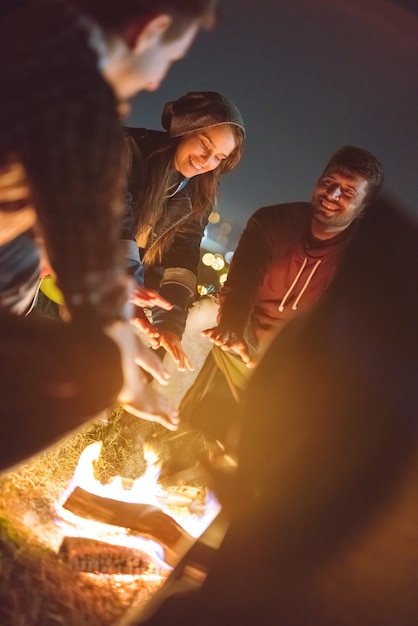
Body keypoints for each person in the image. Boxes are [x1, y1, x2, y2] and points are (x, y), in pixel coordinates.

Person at [127, 196, 418, 626]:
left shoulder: (336, 342)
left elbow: (269, 454)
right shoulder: (370, 349)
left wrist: (246, 489)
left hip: (293, 563)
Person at [0, 0, 220, 472]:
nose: (156, 80)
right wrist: (126, 375)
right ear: (150, 28)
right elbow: (94, 259)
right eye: (170, 57)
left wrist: (129, 302)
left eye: (219, 157)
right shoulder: (81, 102)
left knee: (21, 260)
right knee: (96, 367)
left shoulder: (25, 28)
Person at [179, 145, 385, 443]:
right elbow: (243, 280)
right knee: (203, 315)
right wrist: (233, 327)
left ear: (363, 209)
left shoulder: (360, 262)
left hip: (296, 362)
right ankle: (153, 424)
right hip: (245, 335)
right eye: (329, 183)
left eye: (348, 193)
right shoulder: (273, 221)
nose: (333, 195)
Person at [122, 91, 246, 372]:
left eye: (219, 157)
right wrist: (130, 288)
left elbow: (183, 256)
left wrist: (170, 323)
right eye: (204, 144)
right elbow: (115, 220)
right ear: (184, 126)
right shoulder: (128, 151)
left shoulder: (198, 193)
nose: (206, 160)